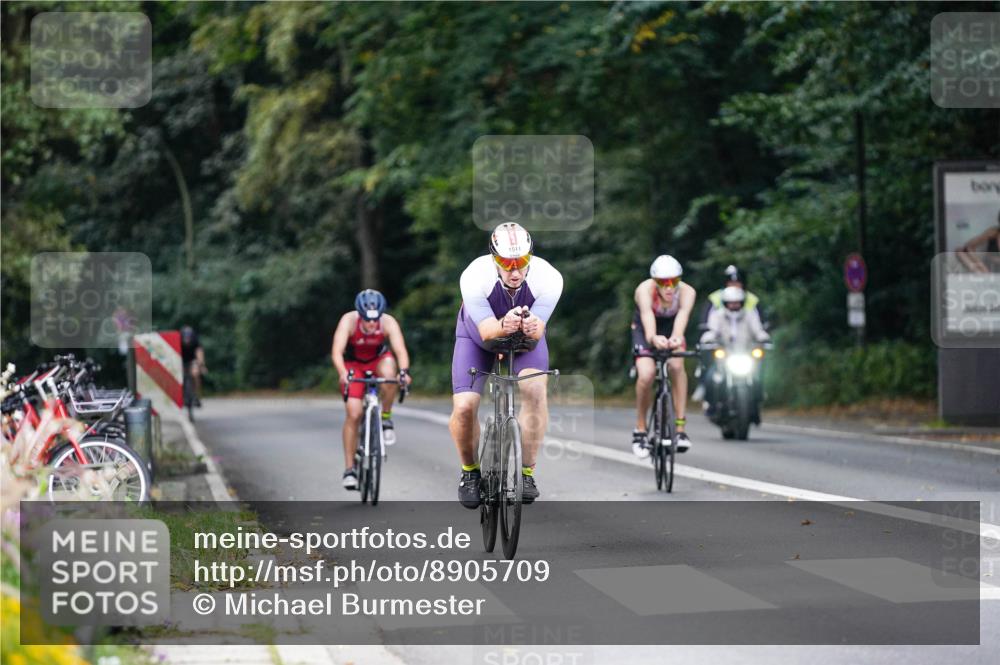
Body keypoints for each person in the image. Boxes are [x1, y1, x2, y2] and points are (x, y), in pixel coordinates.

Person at [450, 222, 563, 509]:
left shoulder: (549, 277)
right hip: (477, 338)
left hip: (524, 341)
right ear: (493, 259)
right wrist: (503, 324)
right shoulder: (474, 275)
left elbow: (537, 333)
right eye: (505, 263)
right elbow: (487, 332)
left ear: (530, 258)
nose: (514, 271)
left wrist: (528, 325)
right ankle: (470, 473)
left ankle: (526, 473)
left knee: (535, 392)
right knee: (464, 407)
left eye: (521, 263)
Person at [331, 289, 411, 490]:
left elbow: (400, 350)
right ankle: (350, 469)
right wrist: (342, 372)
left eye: (376, 319)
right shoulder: (348, 321)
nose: (372, 324)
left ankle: (385, 417)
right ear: (360, 314)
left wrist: (404, 372)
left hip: (378, 360)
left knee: (390, 375)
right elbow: (337, 352)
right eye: (367, 319)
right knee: (354, 413)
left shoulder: (388, 322)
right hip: (353, 364)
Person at [631, 255, 697, 458]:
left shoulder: (687, 292)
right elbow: (647, 318)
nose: (669, 288)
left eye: (674, 282)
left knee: (677, 367)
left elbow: (682, 318)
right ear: (655, 282)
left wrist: (676, 338)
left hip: (670, 328)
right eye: (663, 283)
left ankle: (680, 428)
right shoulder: (644, 290)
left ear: (680, 280)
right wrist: (653, 338)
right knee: (646, 374)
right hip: (645, 327)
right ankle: (640, 430)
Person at [699, 286, 770, 418]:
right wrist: (708, 339)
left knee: (759, 377)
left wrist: (764, 338)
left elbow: (758, 330)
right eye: (731, 302)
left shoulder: (750, 315)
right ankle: (711, 406)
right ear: (725, 303)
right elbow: (711, 331)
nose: (734, 305)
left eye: (737, 302)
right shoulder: (717, 315)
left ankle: (756, 406)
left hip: (746, 354)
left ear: (742, 302)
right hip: (724, 357)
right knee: (710, 378)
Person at [180, 326, 206, 407]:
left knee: (195, 373)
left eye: (188, 339)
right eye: (185, 339)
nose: (187, 341)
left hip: (192, 360)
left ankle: (196, 395)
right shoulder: (178, 341)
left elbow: (199, 353)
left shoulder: (195, 341)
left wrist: (201, 365)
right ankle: (182, 396)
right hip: (181, 360)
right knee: (180, 376)